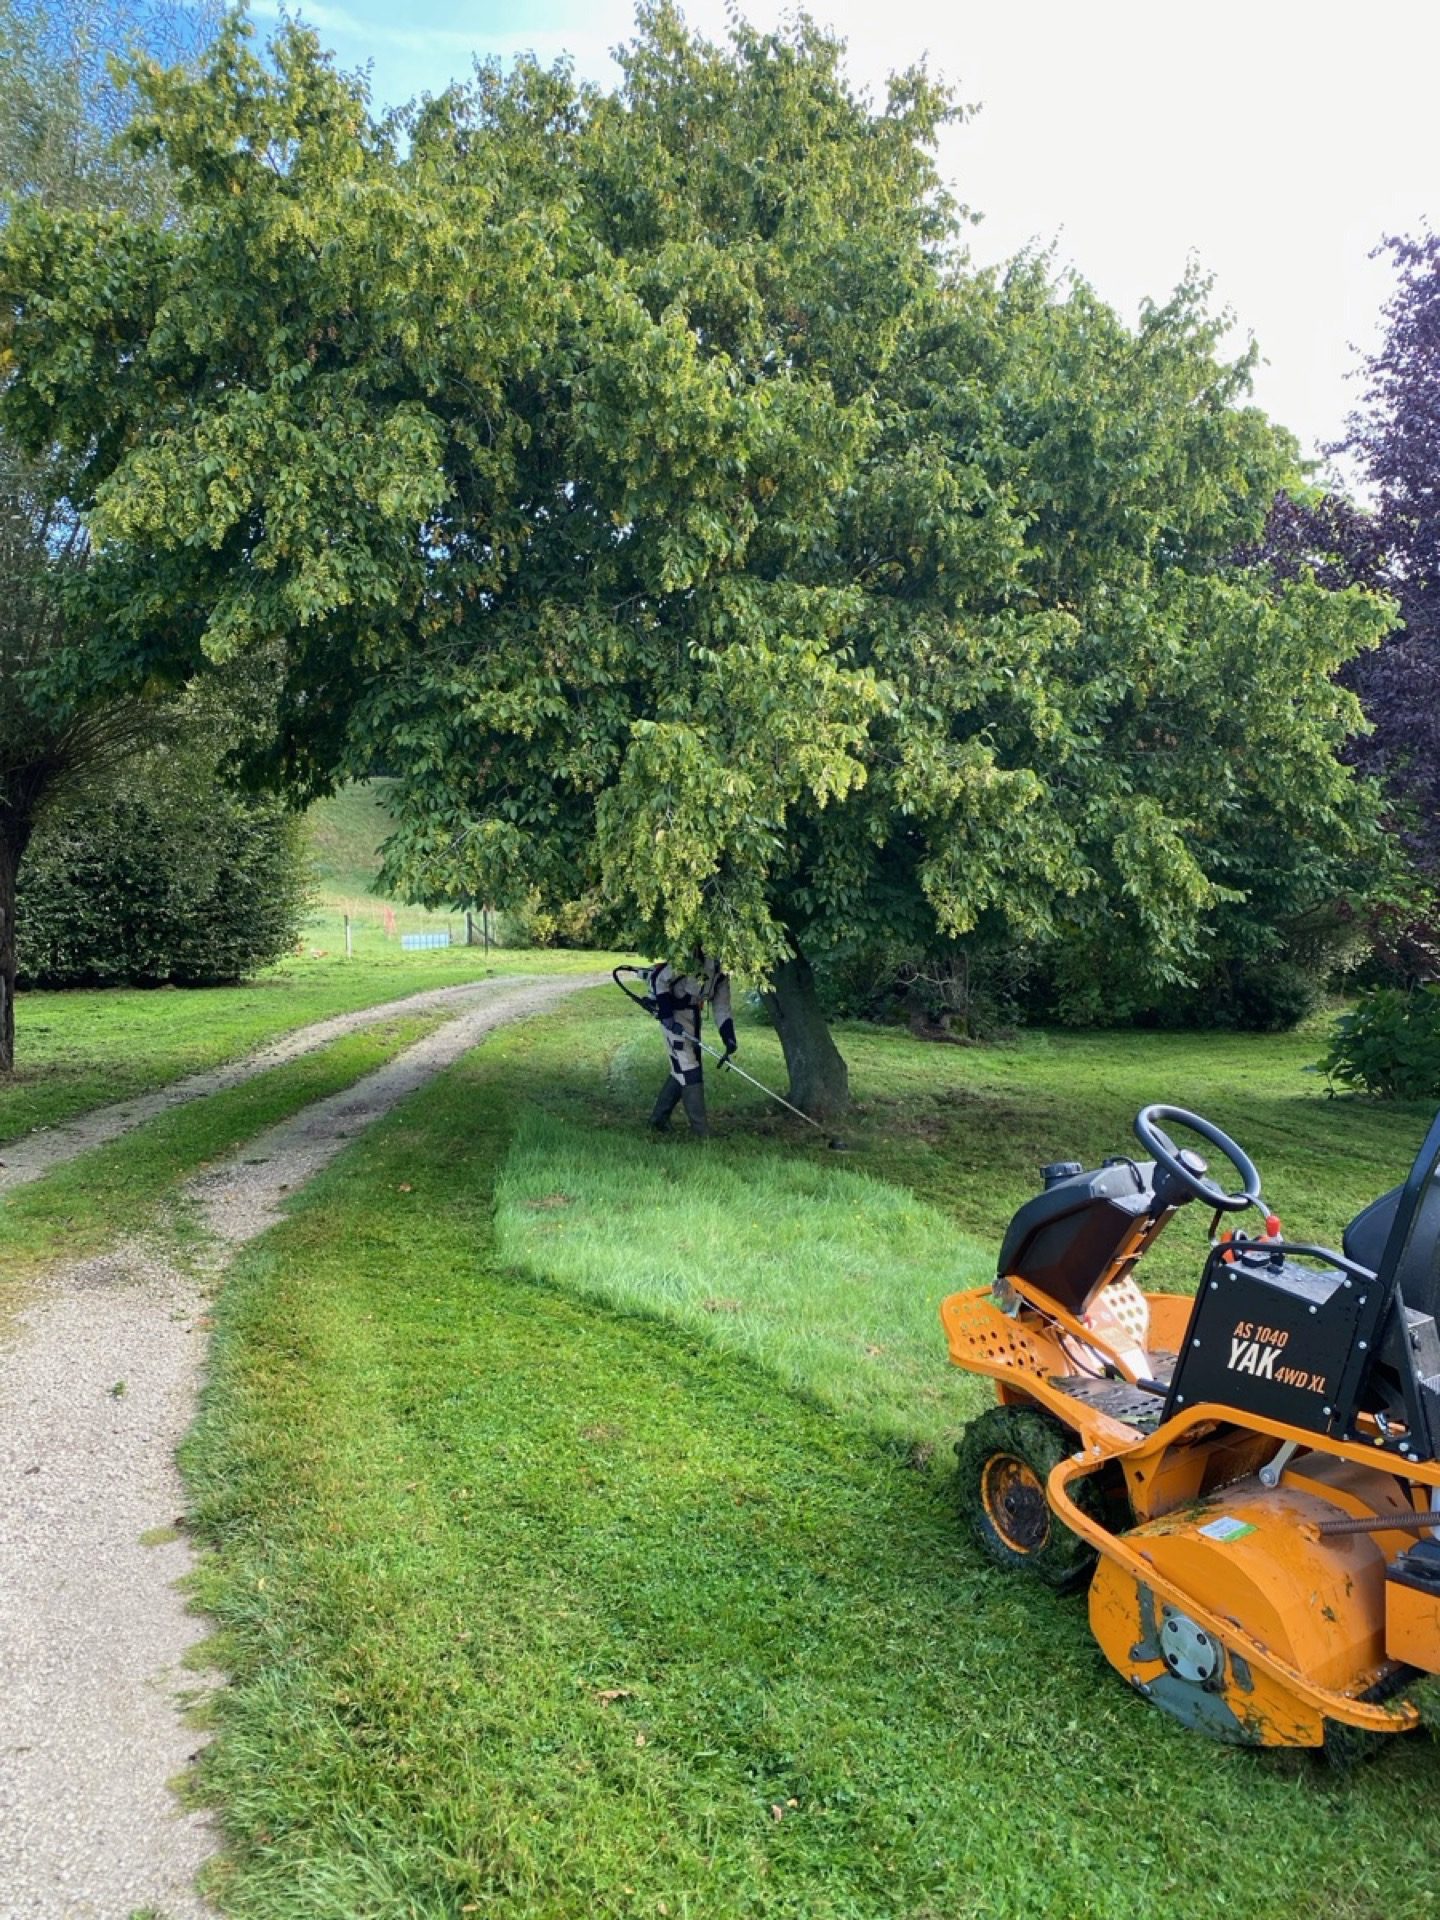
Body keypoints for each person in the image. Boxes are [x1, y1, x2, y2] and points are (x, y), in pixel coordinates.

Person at [648, 953, 736, 1138]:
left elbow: (721, 1007)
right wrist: (666, 1014)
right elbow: (660, 979)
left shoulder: (720, 974)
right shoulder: (690, 960)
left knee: (682, 1069)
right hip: (674, 1018)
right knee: (689, 1071)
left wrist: (729, 1038)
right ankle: (702, 1132)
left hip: (693, 1018)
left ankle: (658, 1120)